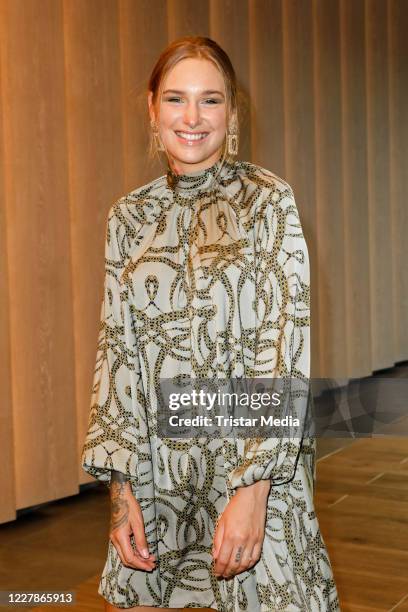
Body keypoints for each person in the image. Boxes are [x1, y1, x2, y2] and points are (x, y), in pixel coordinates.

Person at [81, 36, 340, 612]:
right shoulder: (129, 216)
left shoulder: (267, 202)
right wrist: (122, 494)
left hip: (251, 471)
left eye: (211, 100)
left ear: (232, 111)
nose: (192, 118)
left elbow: (283, 345)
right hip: (160, 476)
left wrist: (252, 487)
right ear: (152, 108)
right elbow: (115, 357)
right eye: (176, 99)